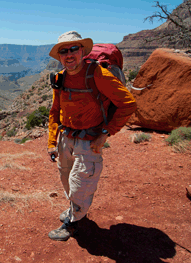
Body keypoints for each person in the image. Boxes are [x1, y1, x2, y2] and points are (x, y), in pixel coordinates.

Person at [47, 31, 137, 241]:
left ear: (83, 51)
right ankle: (76, 210)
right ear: (59, 56)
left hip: (90, 140)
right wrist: (52, 142)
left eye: (73, 49)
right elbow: (54, 110)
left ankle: (72, 224)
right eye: (64, 51)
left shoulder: (97, 74)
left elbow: (128, 103)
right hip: (66, 137)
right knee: (67, 178)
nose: (69, 54)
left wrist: (105, 133)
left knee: (81, 184)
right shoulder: (60, 78)